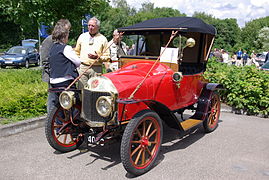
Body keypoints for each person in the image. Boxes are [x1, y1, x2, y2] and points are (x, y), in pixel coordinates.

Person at [40, 19, 71, 114]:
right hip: (52, 76)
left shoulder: (63, 41)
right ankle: (51, 122)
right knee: (53, 100)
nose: (68, 32)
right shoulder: (49, 40)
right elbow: (44, 60)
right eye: (67, 30)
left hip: (61, 76)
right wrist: (53, 72)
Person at [49, 19, 81, 104]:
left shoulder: (52, 48)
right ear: (64, 36)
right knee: (77, 101)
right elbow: (78, 62)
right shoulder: (66, 48)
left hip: (53, 82)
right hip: (65, 81)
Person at [74, 17, 110, 88]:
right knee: (82, 90)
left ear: (98, 27)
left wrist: (98, 58)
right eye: (89, 25)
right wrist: (78, 66)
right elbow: (76, 52)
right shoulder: (82, 36)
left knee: (95, 90)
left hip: (96, 69)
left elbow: (107, 57)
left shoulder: (103, 39)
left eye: (92, 26)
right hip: (83, 68)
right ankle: (82, 99)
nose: (90, 27)